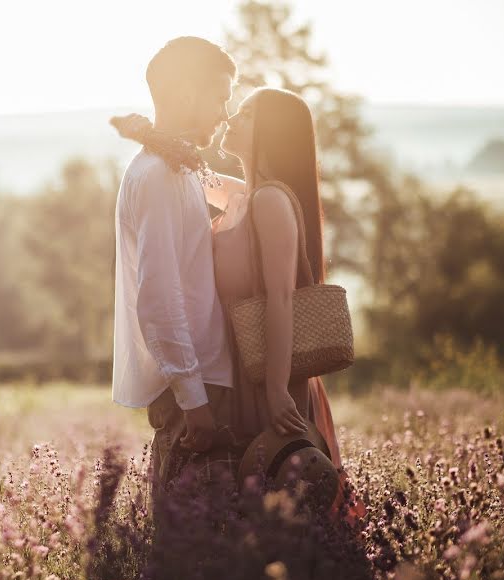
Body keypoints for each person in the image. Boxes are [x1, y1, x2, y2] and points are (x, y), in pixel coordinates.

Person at [114, 87, 366, 527]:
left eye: (247, 112)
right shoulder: (240, 196)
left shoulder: (270, 201)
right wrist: (150, 135)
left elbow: (282, 299)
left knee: (277, 511)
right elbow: (192, 171)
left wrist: (274, 388)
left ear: (271, 132)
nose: (232, 116)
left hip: (265, 377)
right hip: (241, 369)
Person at [110, 37, 240, 526]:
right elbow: (159, 297)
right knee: (193, 550)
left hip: (203, 379)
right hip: (196, 386)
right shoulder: (160, 176)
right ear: (187, 94)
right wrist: (194, 400)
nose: (225, 112)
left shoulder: (182, 168)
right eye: (220, 96)